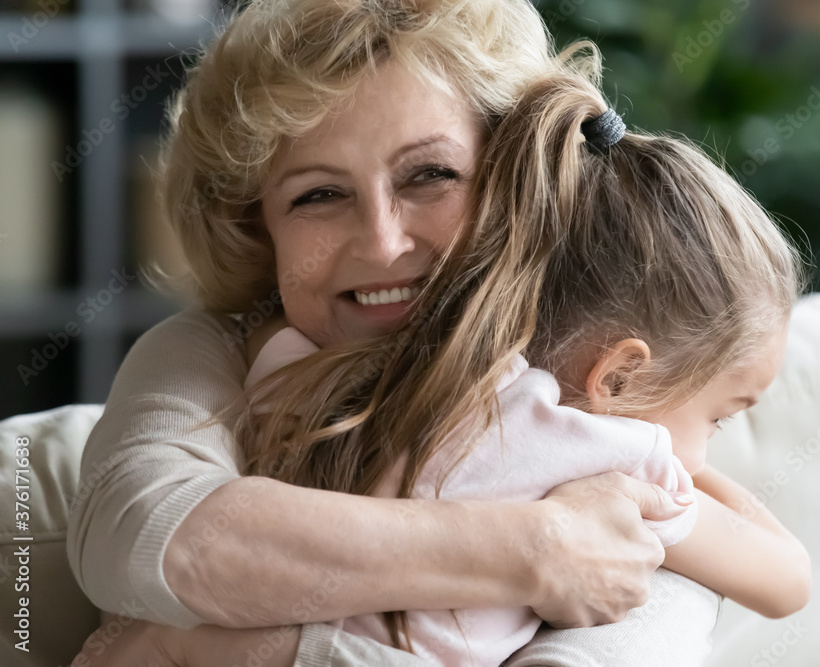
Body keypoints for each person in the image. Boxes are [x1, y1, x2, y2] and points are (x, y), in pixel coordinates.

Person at [66, 0, 720, 664]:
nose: (381, 243)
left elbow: (671, 580)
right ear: (255, 225)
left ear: (514, 177)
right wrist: (536, 547)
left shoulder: (581, 355)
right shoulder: (212, 349)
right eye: (318, 194)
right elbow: (143, 536)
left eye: (430, 175)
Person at [225, 73, 810, 666]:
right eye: (718, 419)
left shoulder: (309, 365)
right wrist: (680, 472)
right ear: (616, 380)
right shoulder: (599, 455)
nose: (705, 452)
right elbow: (788, 579)